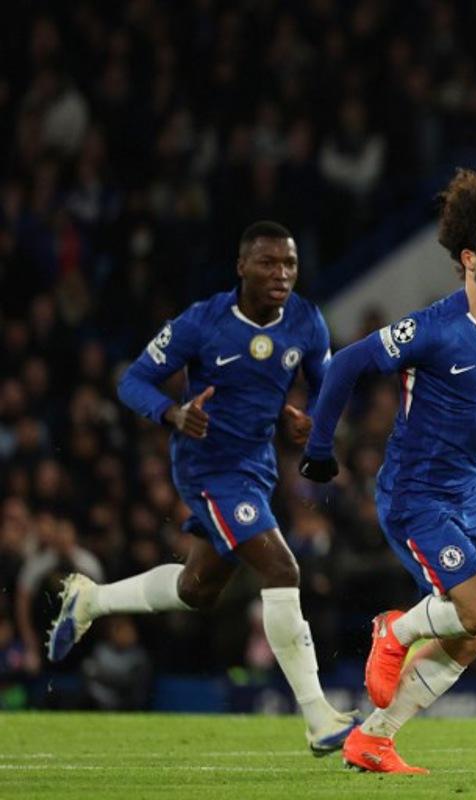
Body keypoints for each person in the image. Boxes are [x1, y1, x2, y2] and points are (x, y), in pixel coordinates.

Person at [299, 168, 476, 775]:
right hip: (415, 493)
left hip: (467, 497)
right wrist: (320, 447)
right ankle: (395, 630)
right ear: (468, 258)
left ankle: (374, 738)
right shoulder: (432, 328)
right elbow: (346, 365)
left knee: (473, 633)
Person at [47, 221, 357, 755]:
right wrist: (173, 412)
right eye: (268, 263)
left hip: (256, 467)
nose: (281, 274)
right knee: (282, 569)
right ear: (241, 267)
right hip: (208, 467)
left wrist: (311, 421)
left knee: (198, 589)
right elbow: (131, 380)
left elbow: (326, 384)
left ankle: (91, 599)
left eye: (289, 263)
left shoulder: (306, 320)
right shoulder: (203, 322)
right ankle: (318, 717)